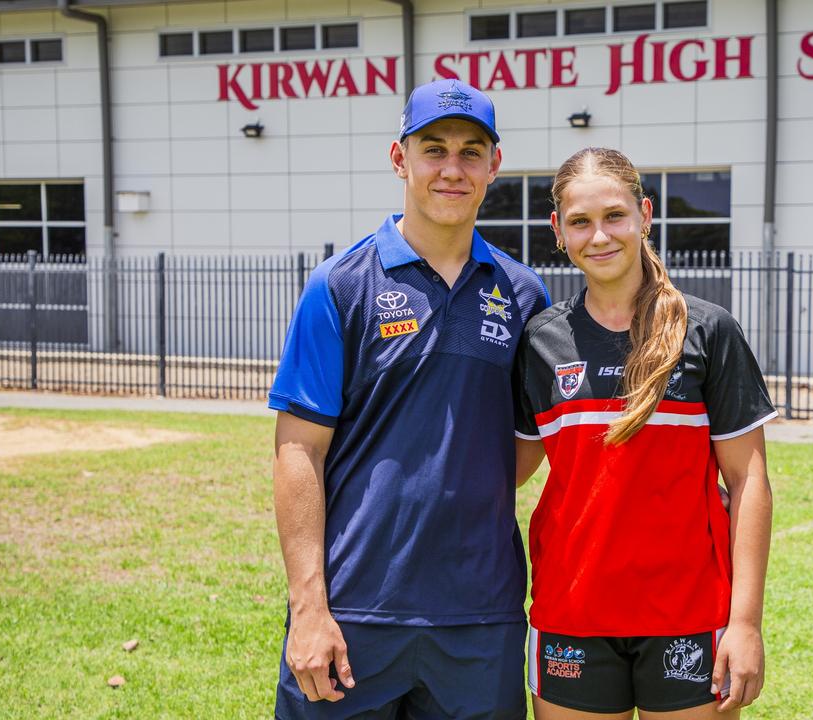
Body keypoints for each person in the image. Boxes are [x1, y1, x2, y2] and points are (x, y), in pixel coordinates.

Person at [268, 79, 549, 719]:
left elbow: (527, 446)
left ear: (493, 166)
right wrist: (309, 607)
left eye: (471, 151)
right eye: (434, 149)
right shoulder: (340, 286)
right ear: (400, 158)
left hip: (480, 615)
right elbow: (297, 452)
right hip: (353, 610)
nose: (452, 168)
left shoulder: (525, 294)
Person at [513, 147, 776, 719]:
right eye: (580, 221)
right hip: (571, 611)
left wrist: (746, 622)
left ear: (644, 215)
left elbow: (748, 479)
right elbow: (504, 468)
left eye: (614, 216)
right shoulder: (540, 342)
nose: (599, 236)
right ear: (558, 231)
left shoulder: (709, 331)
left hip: (688, 612)